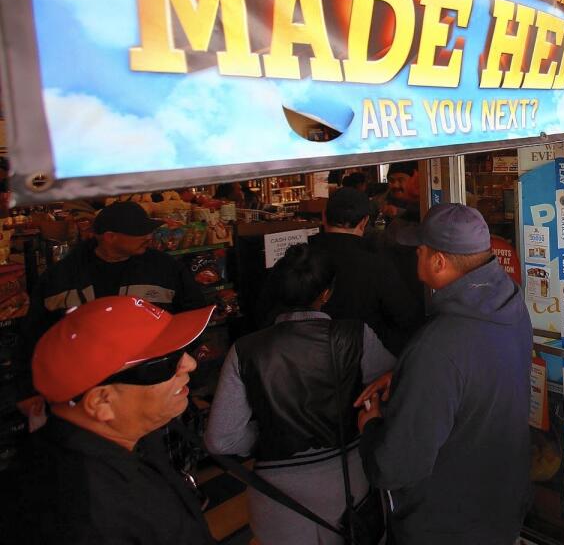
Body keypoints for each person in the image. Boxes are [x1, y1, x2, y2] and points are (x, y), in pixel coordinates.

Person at [355, 204, 532, 544]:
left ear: (438, 262)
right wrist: (408, 376)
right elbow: (480, 368)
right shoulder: (508, 302)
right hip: (501, 505)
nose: (414, 256)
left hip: (448, 525)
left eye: (419, 250)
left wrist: (372, 425)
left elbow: (396, 467)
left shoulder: (437, 347)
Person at [205, 245, 394, 544]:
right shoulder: (354, 335)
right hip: (349, 480)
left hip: (278, 495)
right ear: (326, 294)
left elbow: (220, 439)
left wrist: (267, 432)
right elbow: (390, 387)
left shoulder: (245, 350)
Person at [20, 296, 216, 543]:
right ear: (102, 402)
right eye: (165, 363)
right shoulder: (86, 515)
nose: (189, 364)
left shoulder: (127, 436)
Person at [26, 200, 208, 342]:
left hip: (149, 377)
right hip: (88, 380)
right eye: (138, 232)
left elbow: (194, 314)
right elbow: (36, 334)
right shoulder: (60, 277)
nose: (148, 236)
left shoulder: (165, 268)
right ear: (110, 237)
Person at [304, 188, 425, 356]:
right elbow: (408, 319)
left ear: (324, 216)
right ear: (364, 222)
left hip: (302, 363)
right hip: (366, 368)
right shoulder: (377, 266)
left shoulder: (298, 260)